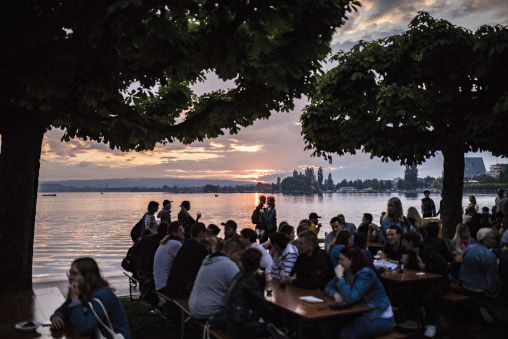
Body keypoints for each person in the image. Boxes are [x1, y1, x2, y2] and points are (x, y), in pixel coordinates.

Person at [323, 245, 394, 338]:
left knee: (346, 334)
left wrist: (340, 278)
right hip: (361, 313)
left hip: (379, 317)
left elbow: (351, 298)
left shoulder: (366, 274)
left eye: (342, 259)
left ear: (352, 259)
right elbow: (328, 287)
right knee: (328, 326)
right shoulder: (346, 271)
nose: (339, 262)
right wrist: (335, 293)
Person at [50, 257, 130, 339]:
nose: (70, 277)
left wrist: (75, 299)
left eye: (75, 274)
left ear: (87, 276)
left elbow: (84, 329)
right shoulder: (83, 292)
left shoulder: (101, 297)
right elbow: (63, 309)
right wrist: (57, 316)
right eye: (70, 273)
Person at [225, 248, 282, 339]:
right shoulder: (249, 280)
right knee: (275, 327)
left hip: (232, 321)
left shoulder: (239, 276)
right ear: (258, 264)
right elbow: (263, 303)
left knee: (270, 324)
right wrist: (280, 318)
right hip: (242, 327)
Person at [402, 231, 449, 337]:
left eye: (405, 241)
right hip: (425, 282)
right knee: (412, 293)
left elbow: (443, 265)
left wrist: (427, 267)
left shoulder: (428, 251)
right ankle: (415, 320)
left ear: (411, 242)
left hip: (439, 282)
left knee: (428, 297)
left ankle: (431, 325)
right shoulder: (412, 254)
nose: (403, 244)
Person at [189, 238, 245, 322]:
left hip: (194, 307)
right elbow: (241, 290)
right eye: (239, 255)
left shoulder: (210, 259)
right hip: (208, 312)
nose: (239, 259)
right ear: (232, 252)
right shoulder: (228, 265)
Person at [459, 228, 502, 322]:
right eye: (492, 238)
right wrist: (493, 293)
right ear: (484, 239)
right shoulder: (489, 256)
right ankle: (487, 308)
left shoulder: (469, 249)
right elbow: (491, 278)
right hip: (479, 287)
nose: (495, 241)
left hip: (465, 283)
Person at [165, 222, 210, 299]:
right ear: (201, 233)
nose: (207, 236)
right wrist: (213, 247)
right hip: (182, 292)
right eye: (206, 234)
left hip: (173, 289)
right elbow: (210, 268)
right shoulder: (200, 249)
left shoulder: (186, 245)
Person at [131, 222, 169, 307]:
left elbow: (134, 252)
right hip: (148, 273)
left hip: (140, 270)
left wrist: (138, 263)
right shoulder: (162, 243)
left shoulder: (146, 238)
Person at [153, 221, 184, 292]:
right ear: (174, 233)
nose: (183, 232)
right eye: (181, 230)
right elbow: (184, 262)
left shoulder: (166, 242)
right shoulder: (175, 244)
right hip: (165, 285)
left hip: (159, 283)